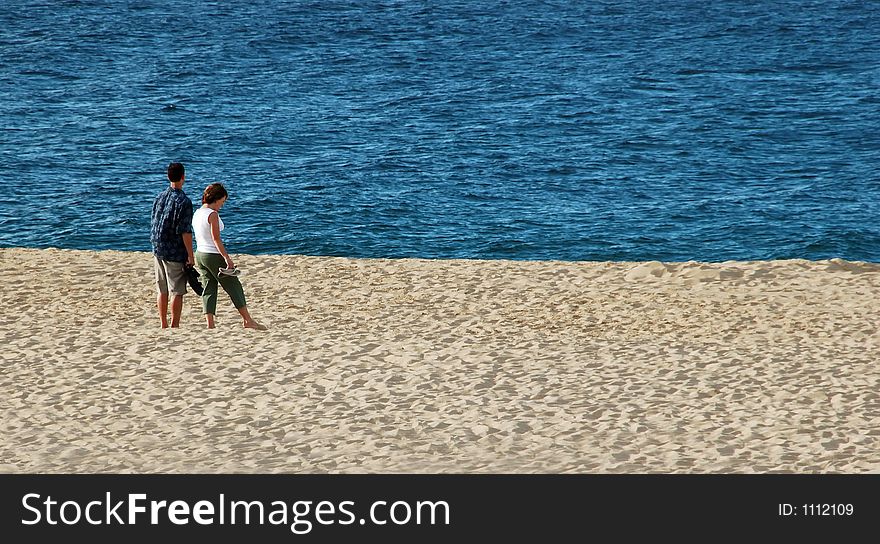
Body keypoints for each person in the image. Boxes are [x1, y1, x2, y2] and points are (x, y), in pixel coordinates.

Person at [192, 183, 267, 330]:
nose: (222, 204)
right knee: (233, 285)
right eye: (222, 201)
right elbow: (216, 239)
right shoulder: (212, 214)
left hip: (200, 254)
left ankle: (210, 324)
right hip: (212, 254)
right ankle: (247, 320)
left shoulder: (198, 212)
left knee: (209, 287)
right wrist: (226, 258)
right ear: (217, 198)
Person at [150, 162, 194, 328]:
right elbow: (185, 231)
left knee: (161, 288)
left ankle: (163, 323)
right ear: (183, 177)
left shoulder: (159, 197)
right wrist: (190, 254)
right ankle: (174, 325)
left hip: (157, 246)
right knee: (177, 290)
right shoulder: (184, 201)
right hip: (174, 250)